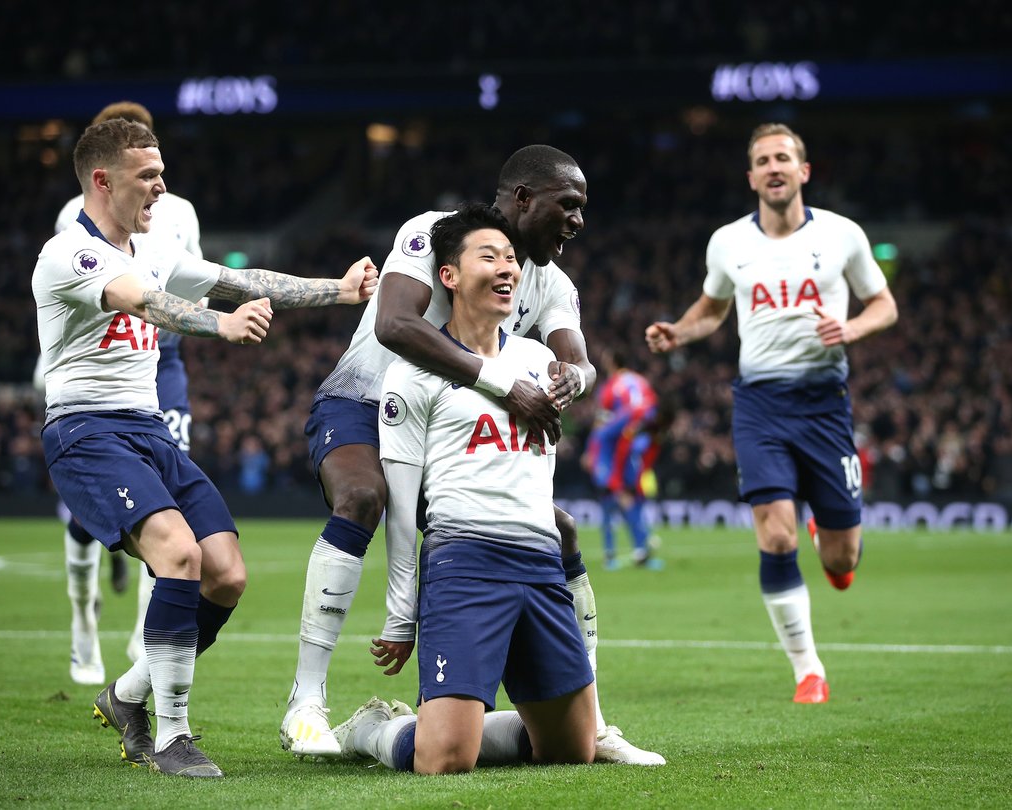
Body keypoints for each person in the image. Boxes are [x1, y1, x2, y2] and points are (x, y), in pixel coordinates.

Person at [282, 144, 663, 766]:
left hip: (447, 429)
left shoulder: (551, 281)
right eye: (568, 205)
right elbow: (396, 326)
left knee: (558, 529)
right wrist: (500, 383)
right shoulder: (430, 235)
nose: (578, 220)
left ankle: (588, 721)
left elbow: (579, 361)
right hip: (363, 400)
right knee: (363, 497)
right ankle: (306, 700)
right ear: (523, 199)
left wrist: (575, 380)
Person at [34, 117, 376, 777]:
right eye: (149, 176)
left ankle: (128, 695)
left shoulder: (154, 245)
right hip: (84, 431)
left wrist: (338, 290)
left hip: (146, 428)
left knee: (226, 574)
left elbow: (238, 280)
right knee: (179, 553)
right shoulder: (70, 253)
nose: (162, 188)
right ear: (103, 181)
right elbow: (145, 302)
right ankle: (171, 737)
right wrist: (220, 325)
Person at [334, 203, 597, 774]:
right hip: (466, 562)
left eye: (511, 259)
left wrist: (579, 376)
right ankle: (376, 729)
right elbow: (404, 509)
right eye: (489, 257)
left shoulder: (540, 361)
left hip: (539, 564)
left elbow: (580, 372)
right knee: (445, 760)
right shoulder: (411, 374)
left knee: (572, 752)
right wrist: (401, 616)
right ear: (448, 276)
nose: (507, 268)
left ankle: (461, 721)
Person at [645, 123, 898, 704]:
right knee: (776, 536)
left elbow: (884, 304)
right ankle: (808, 669)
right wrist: (678, 332)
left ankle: (828, 535)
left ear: (804, 171)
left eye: (784, 157)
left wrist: (852, 327)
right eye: (763, 160)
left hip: (825, 405)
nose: (774, 166)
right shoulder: (729, 242)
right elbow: (712, 308)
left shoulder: (843, 236)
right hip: (759, 405)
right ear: (752, 177)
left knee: (842, 558)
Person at [51, 101, 203, 686]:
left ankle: (143, 642)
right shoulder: (74, 216)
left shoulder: (180, 212)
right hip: (96, 372)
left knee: (167, 504)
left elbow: (191, 279)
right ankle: (83, 622)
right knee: (84, 519)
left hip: (164, 365)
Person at [582, 348, 664, 570]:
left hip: (612, 451)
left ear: (612, 363)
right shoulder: (641, 382)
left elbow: (602, 424)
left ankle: (612, 555)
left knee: (611, 501)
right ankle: (642, 549)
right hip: (634, 448)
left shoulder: (611, 388)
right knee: (632, 498)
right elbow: (651, 416)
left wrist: (591, 451)